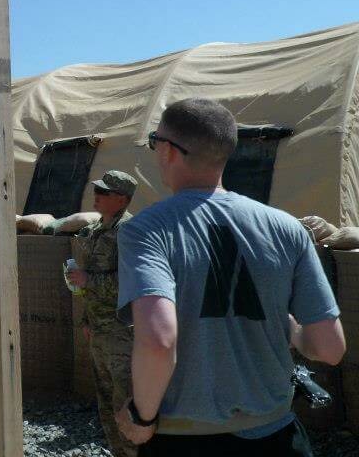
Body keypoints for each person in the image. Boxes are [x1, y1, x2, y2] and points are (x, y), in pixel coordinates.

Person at [115, 98, 345, 456]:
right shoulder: (287, 228)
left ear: (168, 151)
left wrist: (142, 419)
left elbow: (159, 340)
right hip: (279, 436)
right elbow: (330, 348)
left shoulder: (146, 230)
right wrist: (292, 331)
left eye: (154, 142)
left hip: (186, 439)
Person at [67, 169, 139, 457]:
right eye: (96, 190)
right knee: (107, 403)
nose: (96, 196)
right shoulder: (98, 229)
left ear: (121, 199)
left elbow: (133, 281)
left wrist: (88, 280)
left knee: (127, 405)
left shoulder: (129, 231)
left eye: (103, 192)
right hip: (99, 330)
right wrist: (86, 318)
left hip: (122, 334)